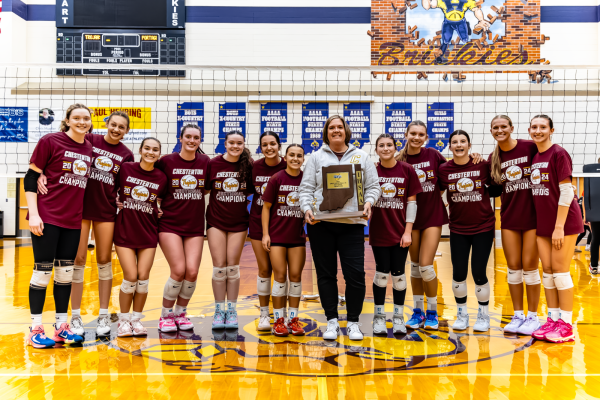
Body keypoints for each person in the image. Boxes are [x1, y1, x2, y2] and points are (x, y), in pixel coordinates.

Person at [36, 110, 134, 337]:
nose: (116, 129)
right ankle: (76, 315)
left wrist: (122, 198)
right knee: (77, 259)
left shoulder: (126, 155)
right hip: (78, 208)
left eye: (122, 127)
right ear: (106, 123)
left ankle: (103, 314)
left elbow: (123, 185)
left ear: (127, 131)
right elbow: (60, 153)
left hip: (105, 210)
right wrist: (41, 173)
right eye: (113, 124)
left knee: (103, 260)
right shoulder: (89, 139)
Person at [299, 115, 381, 341]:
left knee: (355, 275)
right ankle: (332, 322)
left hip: (352, 224)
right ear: (326, 132)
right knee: (326, 275)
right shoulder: (315, 158)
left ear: (346, 130)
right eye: (331, 127)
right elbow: (305, 188)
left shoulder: (361, 156)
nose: (336, 130)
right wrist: (306, 208)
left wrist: (369, 202)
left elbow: (373, 187)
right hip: (321, 224)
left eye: (340, 127)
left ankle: (353, 322)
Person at [25, 103, 93, 348]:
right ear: (67, 120)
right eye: (76, 118)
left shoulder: (89, 146)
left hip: (72, 220)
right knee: (42, 273)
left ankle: (61, 327)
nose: (81, 122)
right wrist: (33, 214)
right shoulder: (50, 140)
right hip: (46, 216)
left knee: (66, 274)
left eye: (86, 118)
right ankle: (34, 328)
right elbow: (31, 176)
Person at [528, 115, 583, 343]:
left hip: (563, 223)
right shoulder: (535, 156)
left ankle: (567, 325)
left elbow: (568, 191)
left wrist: (559, 227)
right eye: (534, 127)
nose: (538, 131)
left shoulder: (559, 153)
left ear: (552, 130)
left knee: (560, 273)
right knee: (548, 273)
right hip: (543, 224)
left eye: (543, 127)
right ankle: (552, 319)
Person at [488, 115, 542, 335]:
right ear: (491, 131)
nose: (500, 130)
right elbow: (493, 189)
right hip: (509, 217)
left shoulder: (529, 147)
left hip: (533, 217)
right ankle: (518, 314)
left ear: (511, 128)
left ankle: (533, 316)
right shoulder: (494, 157)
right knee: (513, 269)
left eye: (503, 127)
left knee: (530, 267)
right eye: (495, 128)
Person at [438, 130, 496, 332]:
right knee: (459, 273)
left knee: (479, 272)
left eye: (463, 141)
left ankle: (483, 315)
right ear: (450, 146)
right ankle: (461, 313)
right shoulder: (444, 169)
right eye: (455, 142)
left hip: (483, 227)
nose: (459, 144)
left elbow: (496, 187)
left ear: (469, 145)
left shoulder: (482, 165)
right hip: (458, 229)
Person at [157, 125, 210, 333]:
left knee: (193, 272)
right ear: (180, 138)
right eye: (188, 136)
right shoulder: (166, 161)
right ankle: (165, 315)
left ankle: (180, 312)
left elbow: (206, 187)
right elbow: (154, 184)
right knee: (178, 270)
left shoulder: (205, 162)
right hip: (170, 223)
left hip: (195, 225)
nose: (191, 140)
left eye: (196, 137)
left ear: (200, 140)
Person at [114, 138, 168, 337]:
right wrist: (115, 200)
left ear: (159, 154)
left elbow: (160, 201)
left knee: (143, 278)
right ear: (140, 149)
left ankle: (136, 320)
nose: (150, 152)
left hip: (148, 231)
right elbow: (110, 189)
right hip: (125, 230)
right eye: (147, 148)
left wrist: (159, 209)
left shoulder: (162, 177)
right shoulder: (126, 168)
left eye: (155, 149)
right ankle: (123, 321)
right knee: (130, 277)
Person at [370, 134, 422, 335]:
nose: (385, 148)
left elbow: (412, 203)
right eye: (381, 145)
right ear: (376, 150)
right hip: (379, 231)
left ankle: (398, 318)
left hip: (401, 232)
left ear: (395, 148)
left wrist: (408, 231)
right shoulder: (372, 171)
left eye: (389, 145)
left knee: (399, 276)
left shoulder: (407, 169)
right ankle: (379, 318)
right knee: (381, 274)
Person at [206, 131, 253, 330]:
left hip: (239, 223)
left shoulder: (249, 165)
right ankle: (219, 311)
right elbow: (204, 189)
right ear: (224, 144)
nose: (235, 146)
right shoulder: (213, 164)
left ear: (243, 144)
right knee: (219, 267)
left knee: (232, 267)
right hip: (216, 221)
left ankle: (231, 310)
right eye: (231, 142)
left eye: (239, 143)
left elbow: (256, 189)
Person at [261, 144, 306, 337]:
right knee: (279, 277)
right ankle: (279, 321)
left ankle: (293, 320)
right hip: (277, 236)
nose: (296, 158)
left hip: (297, 237)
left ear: (304, 158)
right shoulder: (276, 178)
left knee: (295, 276)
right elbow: (266, 207)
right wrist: (265, 234)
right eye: (292, 155)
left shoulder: (306, 179)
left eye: (299, 155)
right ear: (285, 157)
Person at [249, 132, 286, 332]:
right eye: (265, 144)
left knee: (281, 273)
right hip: (257, 223)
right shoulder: (255, 167)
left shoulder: (288, 164)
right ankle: (264, 314)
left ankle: (283, 315)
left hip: (282, 224)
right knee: (264, 270)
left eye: (273, 143)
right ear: (260, 147)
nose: (269, 147)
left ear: (279, 146)